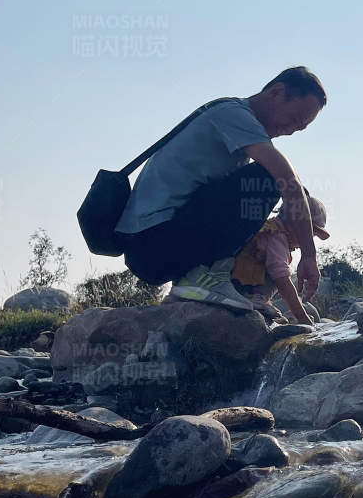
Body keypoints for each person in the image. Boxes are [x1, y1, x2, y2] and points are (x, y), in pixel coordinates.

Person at [115, 66, 325, 312]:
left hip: (159, 246)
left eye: (298, 129)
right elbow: (289, 182)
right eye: (293, 119)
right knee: (268, 178)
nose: (290, 131)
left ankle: (206, 281)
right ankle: (207, 276)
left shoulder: (234, 125)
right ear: (276, 92)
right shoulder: (234, 115)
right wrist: (309, 255)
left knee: (261, 185)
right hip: (152, 244)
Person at [231, 196, 330, 324]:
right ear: (295, 223)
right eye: (309, 234)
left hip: (235, 278)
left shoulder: (272, 228)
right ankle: (255, 299)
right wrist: (302, 317)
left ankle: (256, 298)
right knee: (280, 274)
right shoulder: (277, 235)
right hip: (237, 281)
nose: (307, 241)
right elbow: (282, 281)